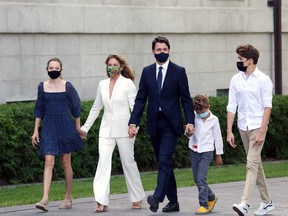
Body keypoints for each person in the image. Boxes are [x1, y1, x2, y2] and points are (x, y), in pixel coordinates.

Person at [128, 36, 195, 213]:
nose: (162, 52)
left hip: (171, 125)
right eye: (159, 50)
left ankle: (157, 197)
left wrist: (190, 121)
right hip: (154, 124)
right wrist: (133, 122)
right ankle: (173, 202)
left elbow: (186, 100)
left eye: (165, 49)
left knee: (164, 160)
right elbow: (140, 99)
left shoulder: (178, 71)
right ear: (153, 52)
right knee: (164, 163)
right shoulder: (147, 71)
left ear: (169, 51)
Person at [80, 54, 145, 213]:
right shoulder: (102, 84)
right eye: (109, 64)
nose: (112, 67)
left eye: (115, 64)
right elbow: (96, 107)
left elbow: (134, 107)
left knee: (128, 163)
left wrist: (134, 125)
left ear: (121, 67)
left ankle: (136, 197)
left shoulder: (127, 83)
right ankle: (101, 200)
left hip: (125, 131)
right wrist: (85, 128)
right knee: (103, 163)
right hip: (106, 131)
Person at [226, 44, 275, 216]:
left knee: (251, 164)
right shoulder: (235, 80)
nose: (238, 62)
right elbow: (232, 106)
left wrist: (262, 130)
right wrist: (229, 131)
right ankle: (267, 202)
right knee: (256, 164)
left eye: (241, 59)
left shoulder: (263, 80)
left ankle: (244, 203)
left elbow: (267, 106)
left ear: (250, 60)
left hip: (257, 126)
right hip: (242, 127)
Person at [31, 57, 84, 212]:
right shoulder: (42, 86)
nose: (53, 70)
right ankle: (45, 199)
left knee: (66, 161)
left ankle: (68, 198)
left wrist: (78, 127)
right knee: (48, 160)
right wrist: (35, 130)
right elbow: (39, 108)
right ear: (46, 69)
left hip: (65, 125)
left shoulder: (67, 86)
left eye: (56, 68)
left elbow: (76, 106)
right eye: (51, 68)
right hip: (48, 126)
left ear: (61, 69)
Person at [188, 93, 223, 215]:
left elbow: (218, 138)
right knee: (196, 179)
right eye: (198, 111)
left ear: (208, 106)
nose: (200, 113)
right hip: (194, 150)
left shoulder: (214, 120)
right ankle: (212, 197)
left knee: (201, 178)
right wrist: (188, 133)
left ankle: (204, 204)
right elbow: (188, 134)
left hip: (207, 152)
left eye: (202, 110)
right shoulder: (193, 117)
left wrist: (219, 155)